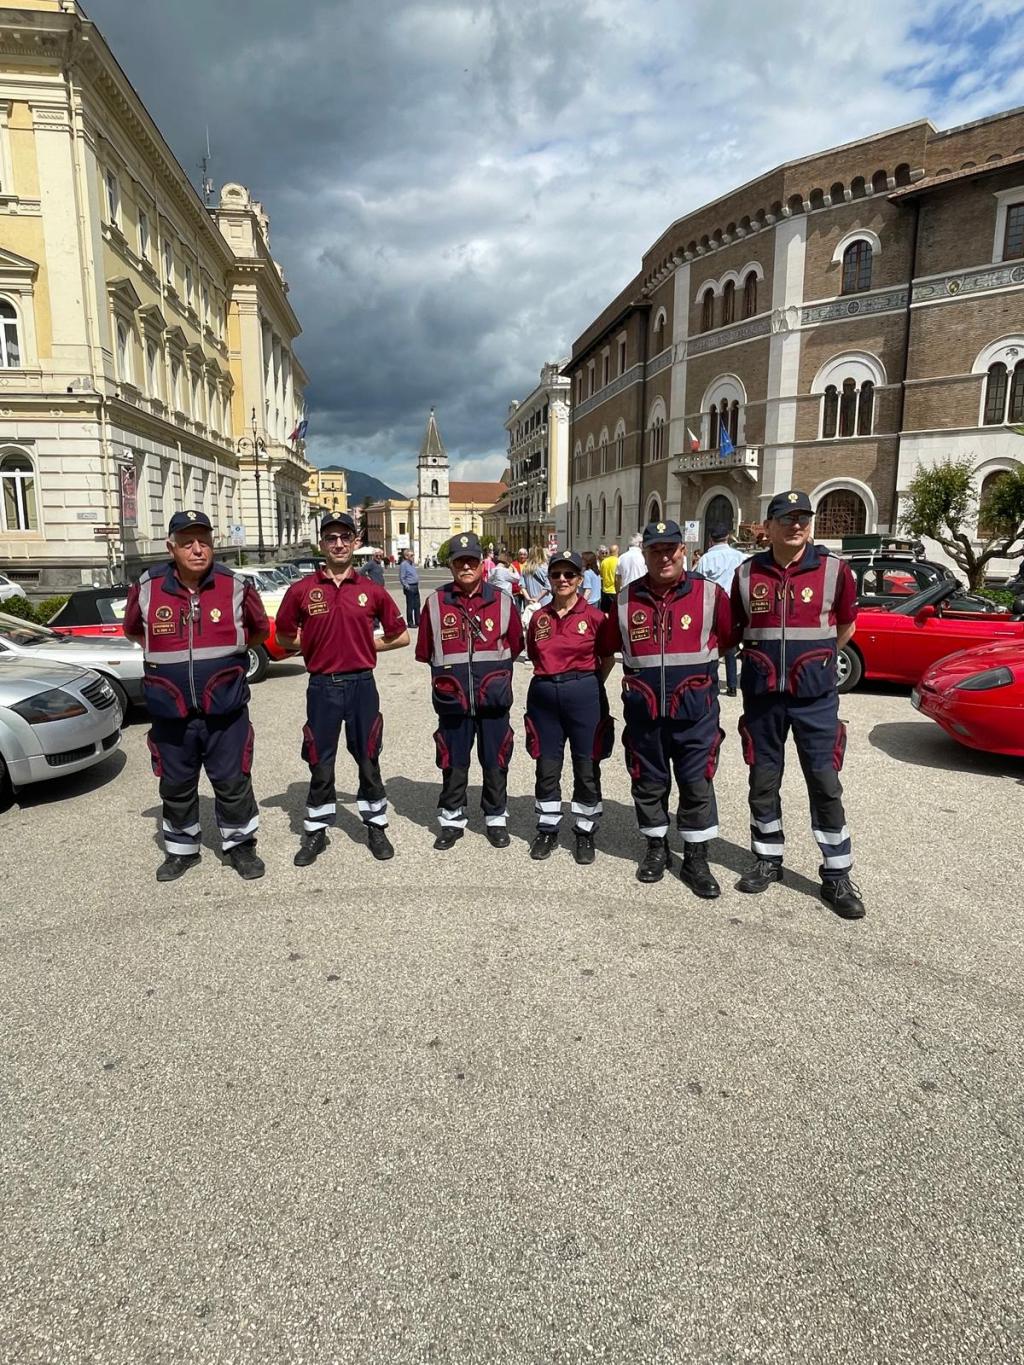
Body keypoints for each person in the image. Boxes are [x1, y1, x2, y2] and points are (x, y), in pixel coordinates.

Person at [730, 491, 863, 918]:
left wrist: (817, 661)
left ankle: (836, 873)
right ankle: (768, 858)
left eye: (803, 517)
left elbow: (845, 626)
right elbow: (737, 626)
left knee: (824, 782)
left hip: (815, 698)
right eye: (786, 518)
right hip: (763, 697)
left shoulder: (834, 570)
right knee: (763, 780)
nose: (796, 524)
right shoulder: (747, 574)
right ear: (767, 527)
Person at [123, 510, 269, 882]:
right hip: (169, 709)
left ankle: (240, 847)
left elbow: (257, 631)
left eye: (204, 541)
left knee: (233, 780)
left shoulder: (234, 585)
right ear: (171, 546)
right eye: (188, 543)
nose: (197, 549)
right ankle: (181, 851)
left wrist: (222, 662)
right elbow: (134, 632)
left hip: (226, 709)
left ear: (213, 544)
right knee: (175, 782)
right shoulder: (148, 586)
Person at [602, 519, 732, 895]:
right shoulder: (626, 600)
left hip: (696, 715)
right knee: (648, 783)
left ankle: (696, 857)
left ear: (684, 552)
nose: (664, 557)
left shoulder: (710, 595)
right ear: (644, 555)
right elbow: (609, 647)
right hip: (644, 715)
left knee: (697, 784)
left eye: (670, 549)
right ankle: (657, 848)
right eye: (655, 550)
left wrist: (694, 681)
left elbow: (726, 640)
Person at [276, 512, 410, 867]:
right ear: (322, 542)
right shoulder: (301, 591)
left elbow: (401, 635)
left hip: (361, 685)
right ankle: (316, 830)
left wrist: (365, 646)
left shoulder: (371, 591)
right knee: (320, 760)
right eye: (331, 537)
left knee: (368, 758)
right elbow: (284, 636)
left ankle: (376, 825)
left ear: (355, 542)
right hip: (322, 687)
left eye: (345, 537)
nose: (338, 543)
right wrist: (315, 645)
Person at [415, 532, 524, 850]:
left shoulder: (502, 601)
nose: (466, 566)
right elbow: (426, 651)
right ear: (450, 565)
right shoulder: (435, 603)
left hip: (493, 700)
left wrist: (491, 678)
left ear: (482, 564)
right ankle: (451, 820)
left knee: (496, 760)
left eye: (471, 561)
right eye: (459, 561)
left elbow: (515, 645)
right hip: (453, 701)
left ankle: (495, 819)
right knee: (452, 761)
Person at [525, 550, 616, 865]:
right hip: (544, 695)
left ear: (580, 578)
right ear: (548, 578)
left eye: (569, 574)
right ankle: (548, 828)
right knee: (546, 765)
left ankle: (584, 831)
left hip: (584, 694)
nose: (562, 580)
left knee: (586, 765)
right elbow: (533, 653)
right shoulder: (539, 617)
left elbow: (607, 658)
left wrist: (586, 684)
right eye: (556, 574)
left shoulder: (594, 617)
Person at [695, 526, 747, 697]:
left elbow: (700, 582)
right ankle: (732, 685)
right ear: (728, 538)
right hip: (733, 605)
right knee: (731, 646)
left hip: (712, 604)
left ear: (711, 539)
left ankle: (713, 682)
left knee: (712, 644)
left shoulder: (706, 559)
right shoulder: (739, 556)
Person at [520, 545, 551, 614]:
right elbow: (547, 587)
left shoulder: (525, 569)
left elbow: (522, 586)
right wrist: (537, 598)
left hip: (530, 604)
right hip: (545, 602)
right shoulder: (545, 568)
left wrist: (529, 599)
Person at [398, 548, 421, 627]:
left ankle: (418, 621)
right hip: (410, 587)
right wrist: (407, 586)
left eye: (413, 555)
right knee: (410, 606)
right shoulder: (404, 564)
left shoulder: (412, 564)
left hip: (415, 586)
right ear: (406, 556)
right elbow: (402, 577)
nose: (413, 557)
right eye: (411, 555)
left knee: (417, 605)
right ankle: (410, 623)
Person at [599, 543, 620, 612]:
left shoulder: (604, 561)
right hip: (614, 591)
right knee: (614, 613)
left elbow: (601, 575)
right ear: (617, 551)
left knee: (605, 612)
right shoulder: (618, 561)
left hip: (605, 591)